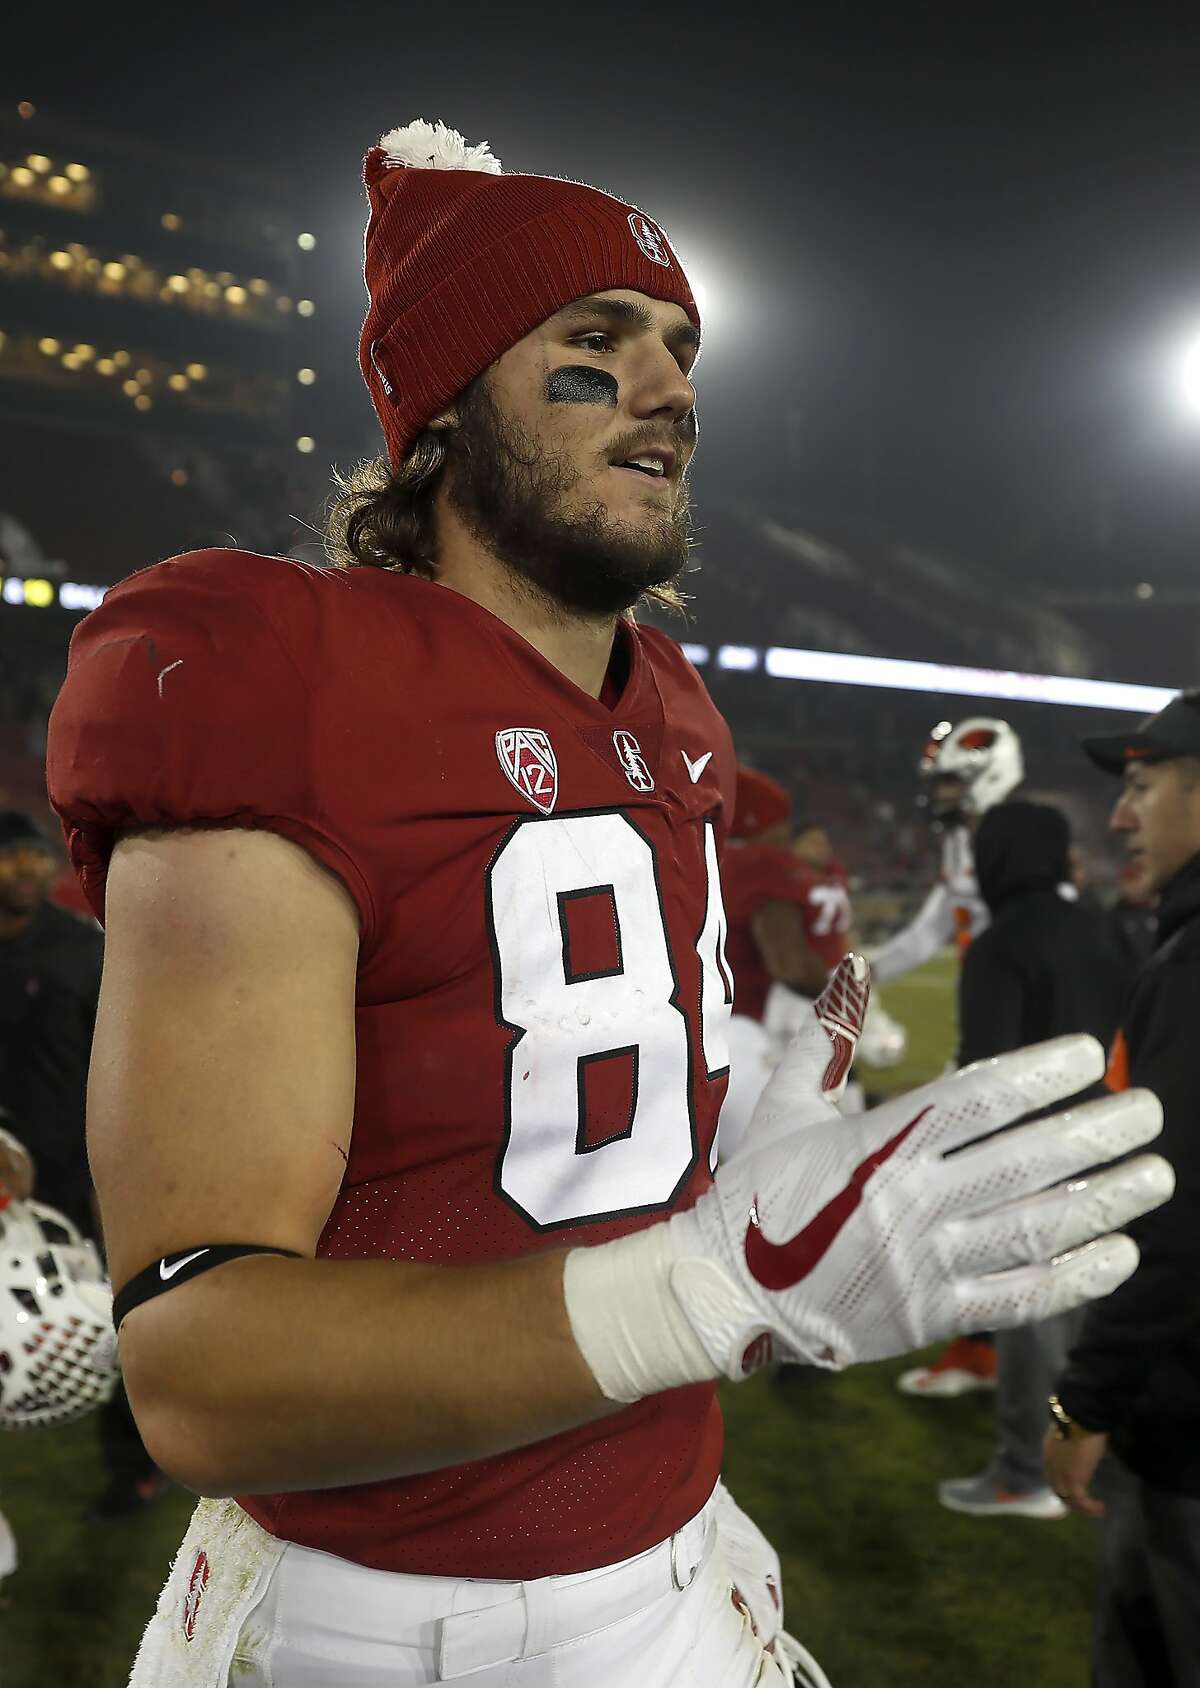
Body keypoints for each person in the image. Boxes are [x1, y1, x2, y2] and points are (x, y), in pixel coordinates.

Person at [45, 120, 1169, 1688]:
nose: (672, 392)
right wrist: (715, 1281)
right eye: (596, 344)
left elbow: (616, 1101)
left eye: (683, 351)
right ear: (445, 408)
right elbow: (203, 1373)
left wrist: (783, 1124)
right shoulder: (285, 676)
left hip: (674, 1556)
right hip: (388, 1622)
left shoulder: (677, 718)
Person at [1043, 692, 1200, 1687]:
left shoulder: (1192, 964)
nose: (1117, 815)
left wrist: (1083, 1404)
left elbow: (1174, 1210)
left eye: (1142, 785)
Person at [934, 801, 1131, 1519]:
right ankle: (1090, 1463)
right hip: (1113, 1140)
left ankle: (1025, 1473)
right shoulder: (1108, 928)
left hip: (1032, 1158)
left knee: (1031, 1321)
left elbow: (989, 1074)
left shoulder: (1002, 944)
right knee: (1090, 1316)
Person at [879, 720, 1026, 1399]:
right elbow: (931, 928)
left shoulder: (1018, 844)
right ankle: (983, 1344)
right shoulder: (970, 841)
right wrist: (859, 969)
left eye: (949, 781)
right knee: (952, 1192)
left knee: (978, 1198)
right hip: (985, 1042)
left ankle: (993, 1348)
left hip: (1012, 1043)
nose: (937, 794)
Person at [720, 769, 843, 1157]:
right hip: (745, 1032)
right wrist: (837, 999)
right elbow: (786, 958)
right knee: (784, 1171)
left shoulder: (702, 852)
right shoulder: (765, 863)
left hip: (690, 1029)